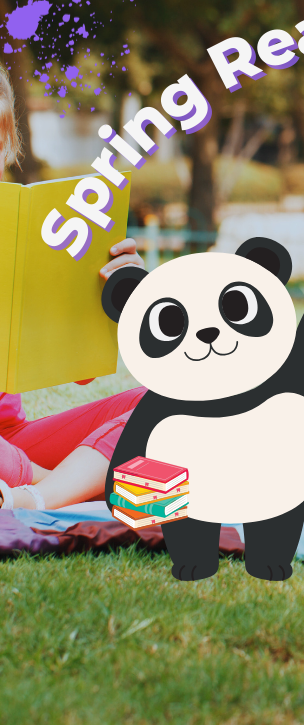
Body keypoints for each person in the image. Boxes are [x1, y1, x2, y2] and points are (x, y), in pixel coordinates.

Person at [0, 62, 148, 511]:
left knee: (166, 400)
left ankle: (48, 492)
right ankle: (70, 489)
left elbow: (77, 364)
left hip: (16, 443)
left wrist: (124, 295)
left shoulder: (33, 231)